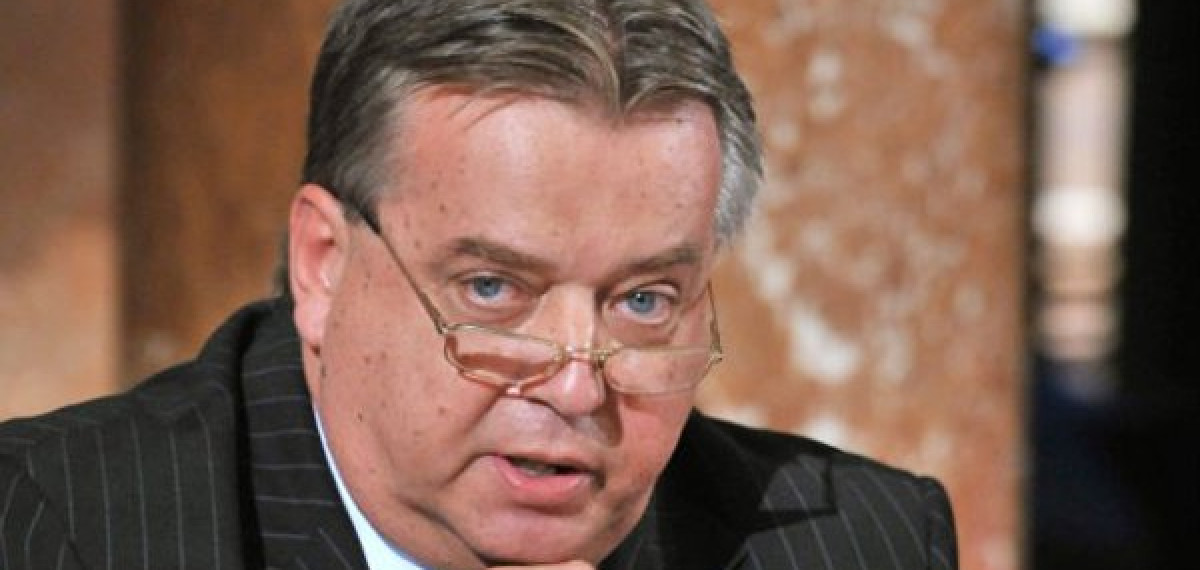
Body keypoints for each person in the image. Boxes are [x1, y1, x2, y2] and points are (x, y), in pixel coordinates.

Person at [0, 1, 958, 568]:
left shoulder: (859, 543)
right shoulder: (55, 527)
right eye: (493, 289)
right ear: (324, 264)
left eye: (643, 301)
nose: (575, 388)